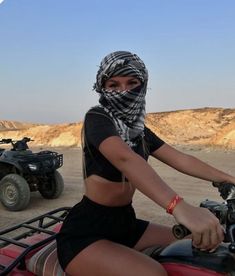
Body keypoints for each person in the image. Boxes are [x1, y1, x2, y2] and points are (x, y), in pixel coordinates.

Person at [56, 51, 235, 276]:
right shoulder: (97, 118)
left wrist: (228, 178)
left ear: (144, 84)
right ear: (102, 88)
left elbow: (181, 159)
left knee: (203, 245)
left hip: (126, 225)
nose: (124, 91)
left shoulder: (139, 131)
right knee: (153, 273)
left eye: (132, 82)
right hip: (87, 232)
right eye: (113, 84)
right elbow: (125, 158)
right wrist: (179, 207)